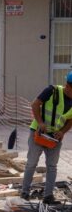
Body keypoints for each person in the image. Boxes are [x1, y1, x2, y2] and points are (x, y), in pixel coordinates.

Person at [21, 72, 72, 204]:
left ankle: (48, 196)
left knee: (52, 166)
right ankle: (24, 193)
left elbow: (70, 120)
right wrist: (40, 123)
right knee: (31, 163)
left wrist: (62, 132)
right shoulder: (52, 91)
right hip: (38, 133)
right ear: (68, 86)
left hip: (54, 138)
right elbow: (35, 104)